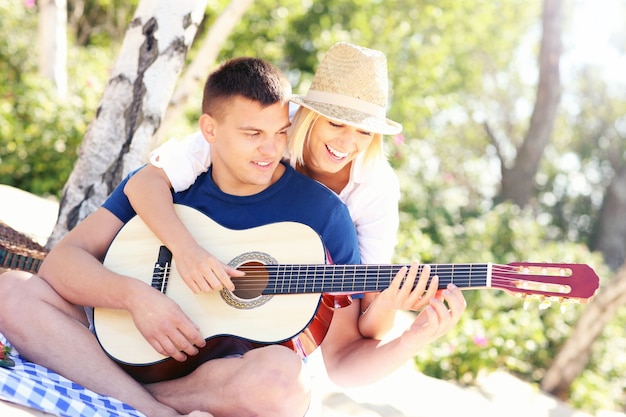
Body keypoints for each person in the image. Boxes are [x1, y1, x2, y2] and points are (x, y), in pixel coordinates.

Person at [0, 56, 466, 417]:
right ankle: (150, 407)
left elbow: (343, 349)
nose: (269, 149)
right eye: (251, 134)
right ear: (210, 132)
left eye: (278, 134)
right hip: (120, 331)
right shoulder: (179, 175)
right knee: (11, 292)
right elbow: (63, 263)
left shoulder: (330, 216)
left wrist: (409, 332)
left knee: (285, 386)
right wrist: (139, 298)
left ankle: (134, 394)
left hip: (214, 371)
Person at [125, 42, 429, 341]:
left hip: (285, 320)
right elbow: (144, 183)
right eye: (336, 123)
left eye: (364, 131)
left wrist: (392, 304)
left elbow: (365, 319)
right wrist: (186, 250)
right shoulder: (270, 126)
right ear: (310, 115)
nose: (348, 143)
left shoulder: (376, 187)